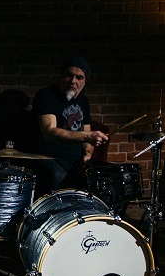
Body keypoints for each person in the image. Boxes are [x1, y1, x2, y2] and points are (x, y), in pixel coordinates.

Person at [28, 57, 110, 194]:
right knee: (57, 176)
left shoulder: (83, 101)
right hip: (48, 158)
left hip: (74, 160)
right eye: (69, 75)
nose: (73, 81)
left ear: (85, 81)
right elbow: (49, 132)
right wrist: (87, 136)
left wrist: (87, 153)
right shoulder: (46, 95)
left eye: (79, 77)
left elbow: (86, 132)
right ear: (61, 76)